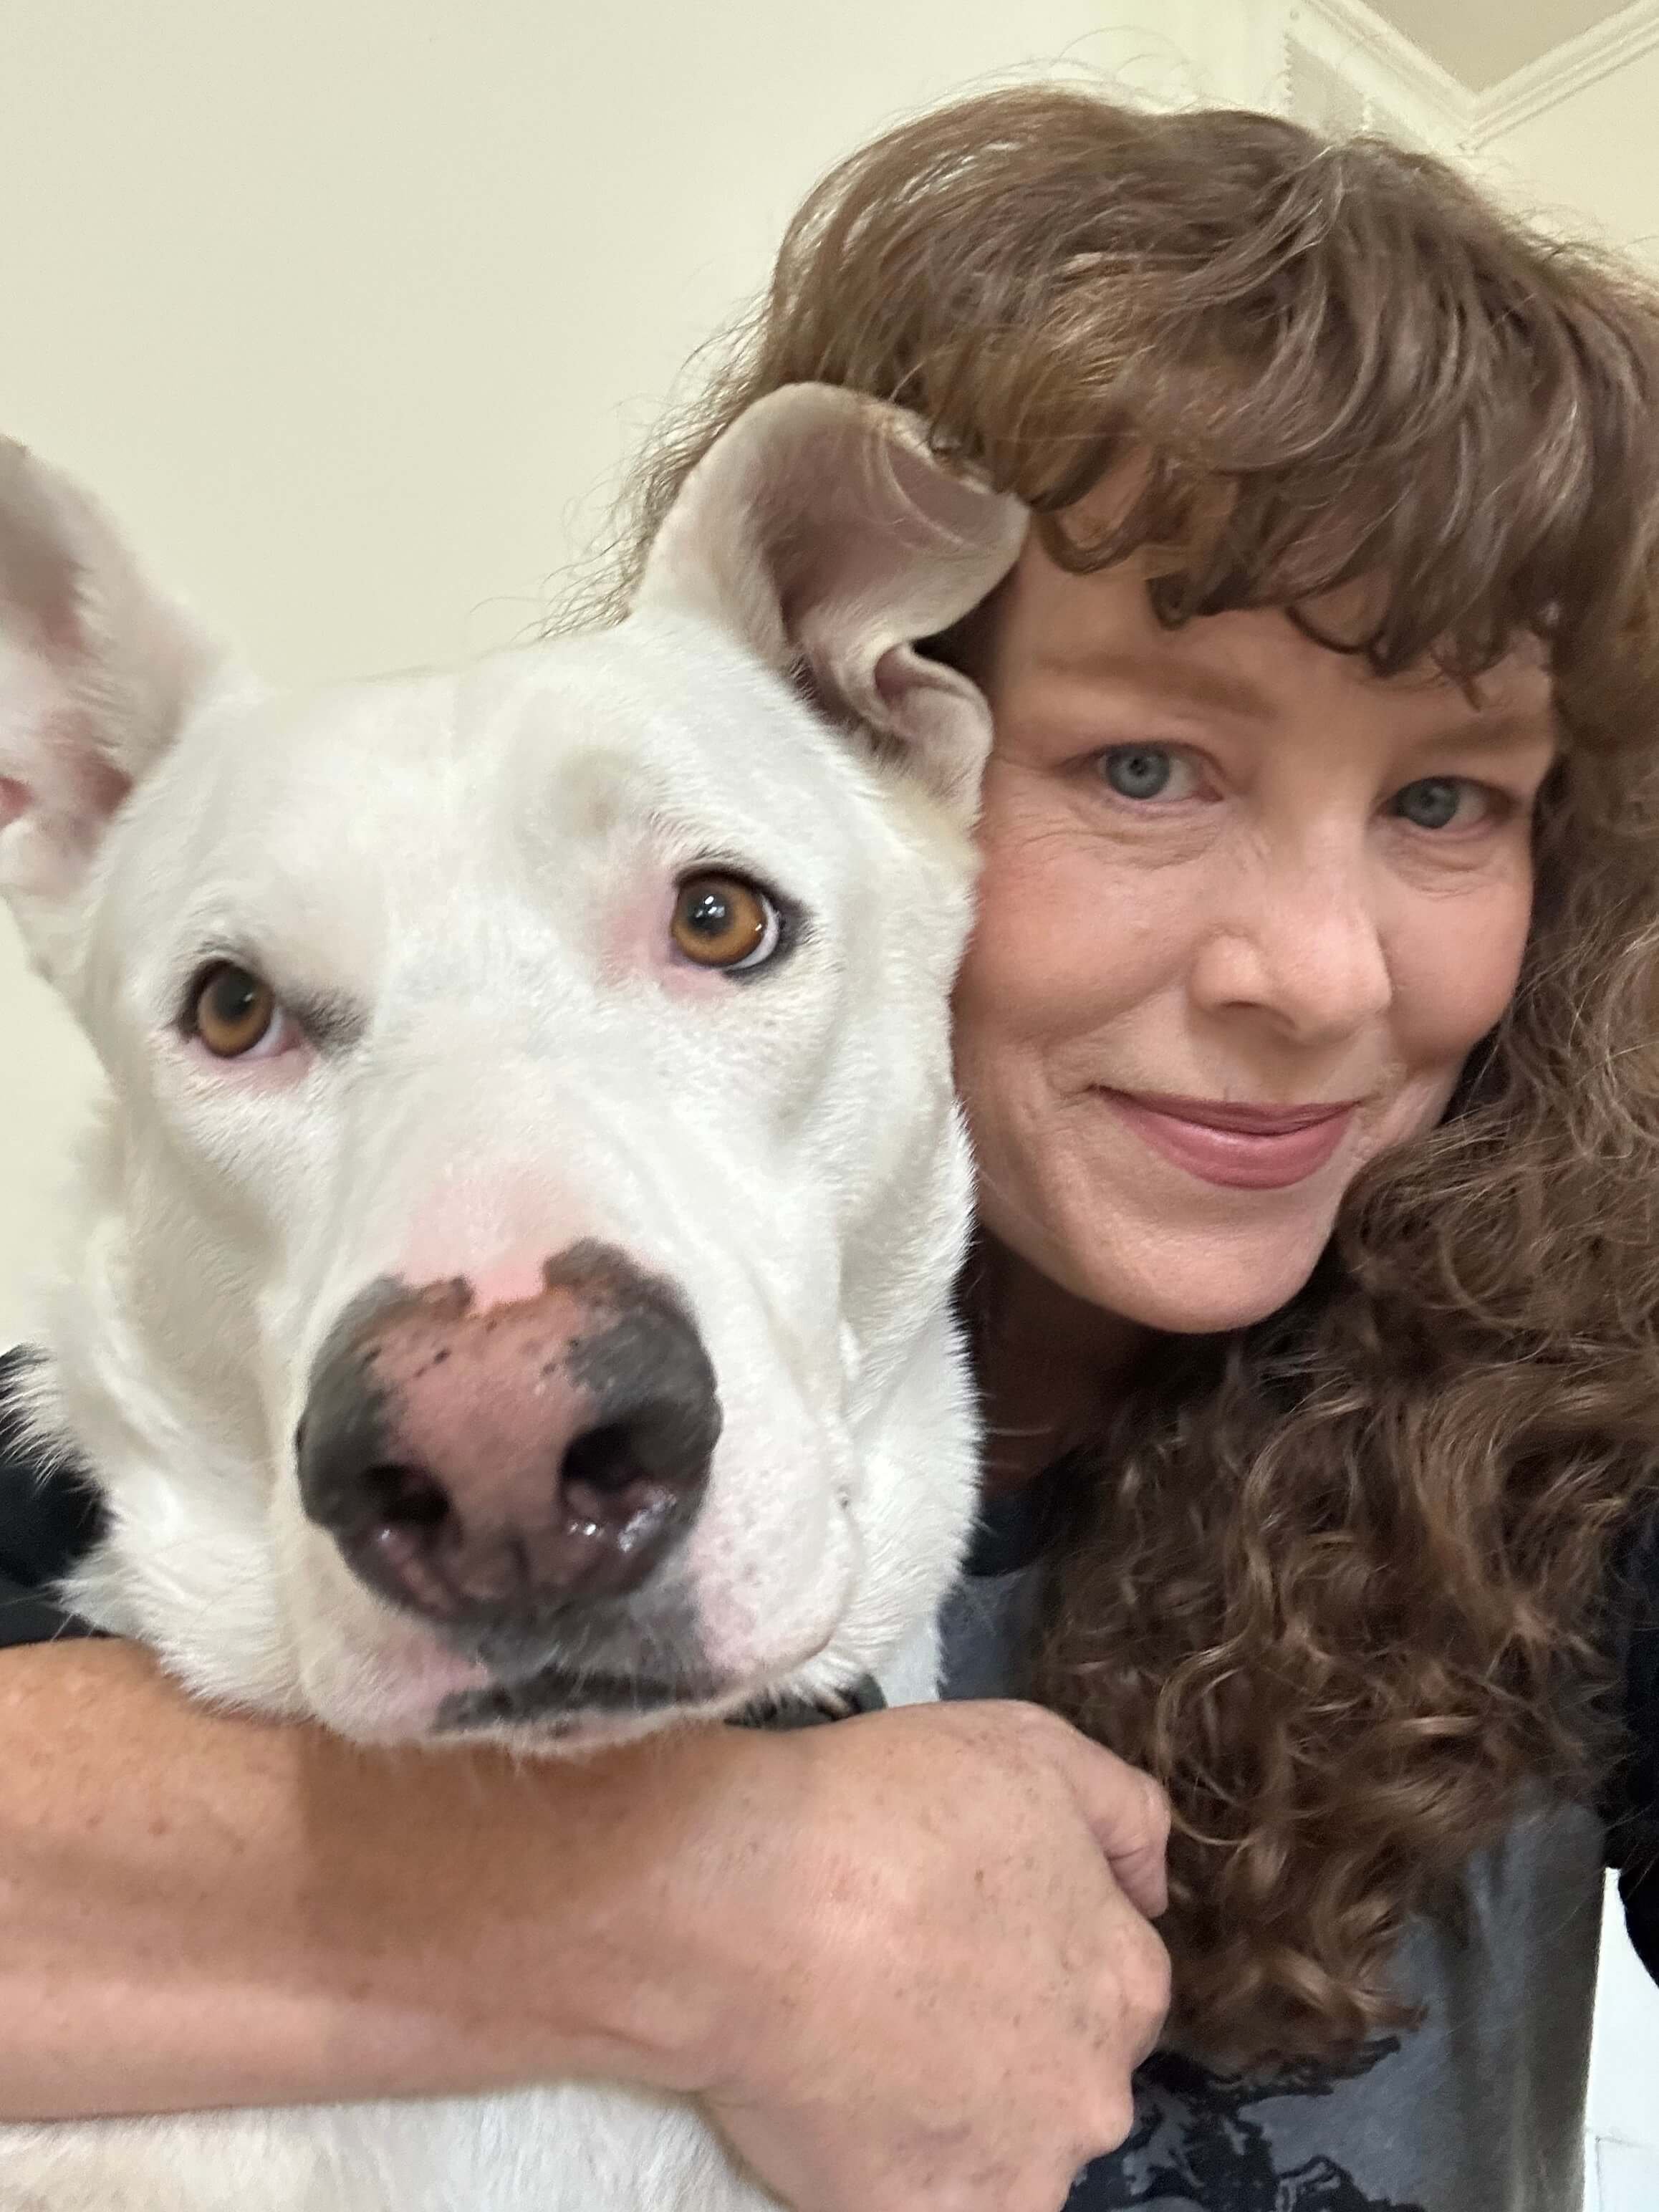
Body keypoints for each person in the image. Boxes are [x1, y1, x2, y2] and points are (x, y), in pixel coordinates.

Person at [6, 84, 1659, 2212]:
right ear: (902, 709)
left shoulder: (1592, 1464)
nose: (1319, 975)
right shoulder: (139, 1423)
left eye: (1446, 800)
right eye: (1146, 766)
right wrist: (724, 1907)